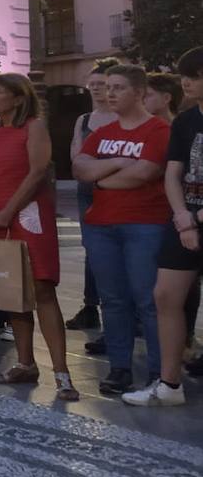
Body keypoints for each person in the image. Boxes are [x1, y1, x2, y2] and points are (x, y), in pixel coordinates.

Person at [0, 73, 78, 397]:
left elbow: (37, 172)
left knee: (41, 289)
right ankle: (26, 363)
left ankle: (62, 372)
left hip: (27, 216)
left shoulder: (34, 128)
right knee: (12, 289)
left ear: (17, 97)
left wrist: (6, 211)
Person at [73, 64, 170, 397]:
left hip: (145, 224)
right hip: (102, 225)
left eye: (118, 88)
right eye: (107, 87)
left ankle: (160, 372)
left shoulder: (158, 130)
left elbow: (144, 173)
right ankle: (119, 368)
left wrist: (101, 176)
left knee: (148, 300)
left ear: (139, 92)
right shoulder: (102, 132)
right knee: (112, 300)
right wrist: (115, 165)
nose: (109, 93)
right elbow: (80, 168)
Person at [133, 48, 203, 407]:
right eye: (185, 74)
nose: (187, 81)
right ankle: (169, 384)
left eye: (195, 74)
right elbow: (173, 172)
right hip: (184, 219)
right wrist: (183, 217)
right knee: (165, 295)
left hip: (196, 219)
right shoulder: (187, 120)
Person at [66, 58, 119, 332]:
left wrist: (94, 165)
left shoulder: (122, 118)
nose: (97, 89)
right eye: (93, 85)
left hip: (117, 193)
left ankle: (123, 311)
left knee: (119, 251)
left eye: (102, 84)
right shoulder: (84, 120)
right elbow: (76, 158)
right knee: (92, 250)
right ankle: (90, 306)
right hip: (87, 193)